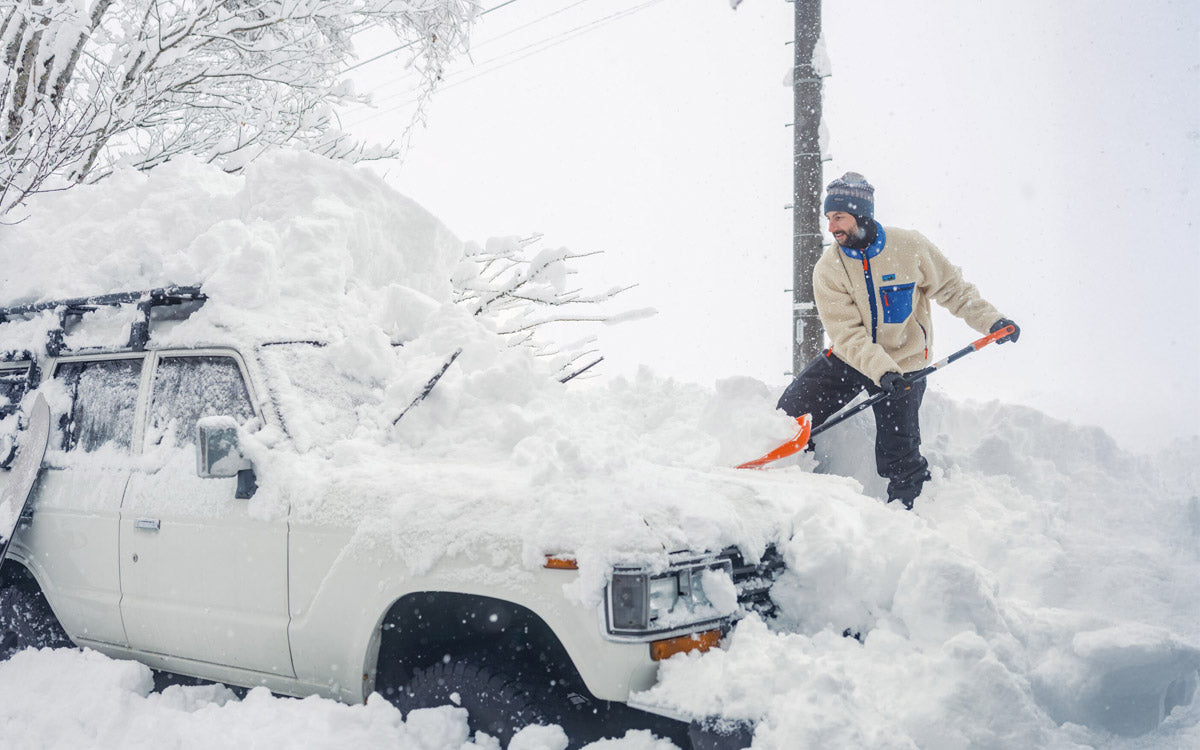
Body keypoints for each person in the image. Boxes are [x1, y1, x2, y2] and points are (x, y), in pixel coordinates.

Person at [777, 172, 1019, 509]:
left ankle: (906, 512)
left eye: (839, 217)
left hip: (905, 365)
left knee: (898, 451)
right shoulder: (829, 268)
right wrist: (879, 369)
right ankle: (791, 483)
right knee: (788, 414)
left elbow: (953, 289)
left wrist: (992, 320)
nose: (831, 227)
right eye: (828, 218)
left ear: (861, 214)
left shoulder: (910, 248)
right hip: (852, 357)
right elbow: (847, 333)